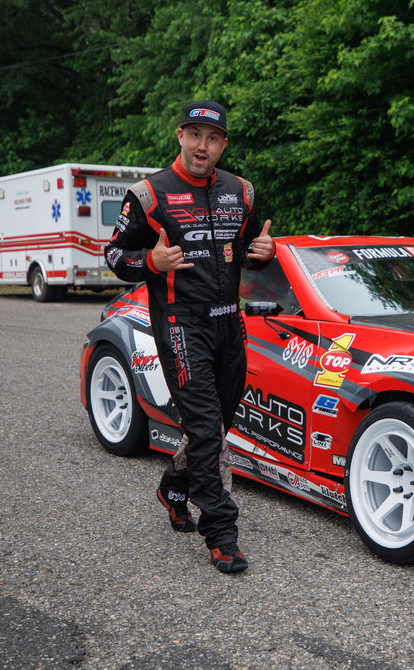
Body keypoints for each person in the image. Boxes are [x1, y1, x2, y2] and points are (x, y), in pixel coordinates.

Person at [105, 100, 274, 574]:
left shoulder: (241, 191)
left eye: (213, 138)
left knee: (215, 426)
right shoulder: (148, 195)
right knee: (203, 429)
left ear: (223, 144)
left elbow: (245, 248)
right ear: (180, 135)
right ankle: (221, 534)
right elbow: (114, 254)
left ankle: (174, 487)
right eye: (195, 135)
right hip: (181, 325)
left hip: (230, 324)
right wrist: (149, 262)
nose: (203, 146)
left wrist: (263, 251)